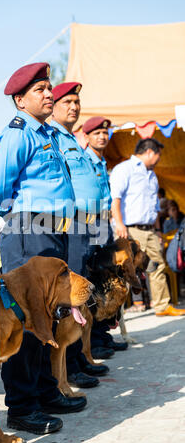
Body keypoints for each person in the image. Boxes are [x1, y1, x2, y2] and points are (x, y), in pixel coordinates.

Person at [0, 63, 87, 437]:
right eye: (40, 90)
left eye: (49, 88)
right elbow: (1, 191)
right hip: (29, 232)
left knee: (49, 319)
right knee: (28, 319)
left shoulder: (46, 133)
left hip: (52, 234)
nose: (49, 94)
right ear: (20, 99)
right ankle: (23, 406)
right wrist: (23, 226)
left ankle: (46, 392)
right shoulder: (18, 134)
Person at [51, 84, 110, 390]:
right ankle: (70, 365)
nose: (74, 107)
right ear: (54, 104)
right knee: (71, 298)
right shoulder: (52, 138)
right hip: (69, 224)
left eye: (77, 102)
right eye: (67, 102)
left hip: (88, 224)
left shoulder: (73, 141)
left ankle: (80, 356)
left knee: (84, 296)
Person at [110, 137, 185, 317]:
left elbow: (155, 208)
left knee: (157, 265)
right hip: (129, 228)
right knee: (124, 270)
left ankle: (162, 306)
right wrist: (119, 224)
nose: (159, 158)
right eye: (159, 155)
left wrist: (158, 230)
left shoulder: (152, 175)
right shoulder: (124, 169)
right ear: (150, 152)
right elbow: (115, 199)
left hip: (150, 229)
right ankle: (114, 311)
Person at [82, 116, 128, 356]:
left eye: (104, 133)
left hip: (103, 225)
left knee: (105, 280)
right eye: (97, 133)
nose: (102, 136)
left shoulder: (101, 162)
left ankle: (103, 335)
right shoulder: (84, 159)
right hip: (88, 225)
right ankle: (94, 341)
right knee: (93, 283)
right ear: (87, 136)